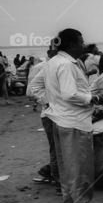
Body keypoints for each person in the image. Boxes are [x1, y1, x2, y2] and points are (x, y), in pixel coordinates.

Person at [43, 28, 103, 203]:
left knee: (67, 170)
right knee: (81, 170)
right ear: (71, 44)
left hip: (60, 120)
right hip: (74, 123)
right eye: (81, 42)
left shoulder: (53, 62)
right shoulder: (66, 65)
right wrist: (94, 97)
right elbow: (70, 93)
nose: (83, 45)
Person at [28, 49, 62, 192]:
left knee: (61, 149)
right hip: (50, 115)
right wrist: (48, 101)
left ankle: (60, 180)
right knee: (56, 150)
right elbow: (31, 90)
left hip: (61, 114)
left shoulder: (63, 65)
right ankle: (58, 182)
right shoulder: (44, 67)